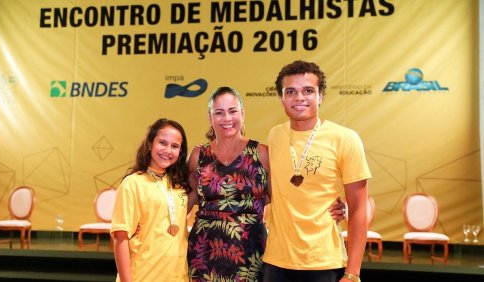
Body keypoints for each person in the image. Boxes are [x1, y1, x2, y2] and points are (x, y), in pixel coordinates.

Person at [186, 86, 347, 281]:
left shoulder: (261, 154)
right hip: (204, 251)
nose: (227, 118)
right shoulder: (198, 156)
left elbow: (285, 193)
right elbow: (184, 199)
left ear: (243, 114)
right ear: (210, 117)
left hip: (250, 250)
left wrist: (337, 206)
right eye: (219, 112)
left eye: (233, 111)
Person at [263, 61, 371, 282]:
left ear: (321, 96)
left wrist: (353, 273)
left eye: (308, 91)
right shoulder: (274, 136)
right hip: (276, 262)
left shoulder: (345, 139)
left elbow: (360, 208)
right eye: (290, 91)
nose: (299, 97)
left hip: (324, 263)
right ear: (281, 98)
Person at [111, 118, 191, 282]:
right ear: (149, 144)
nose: (168, 150)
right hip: (142, 276)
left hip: (178, 278)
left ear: (180, 152)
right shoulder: (132, 184)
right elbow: (120, 239)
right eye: (162, 143)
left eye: (175, 146)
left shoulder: (180, 185)